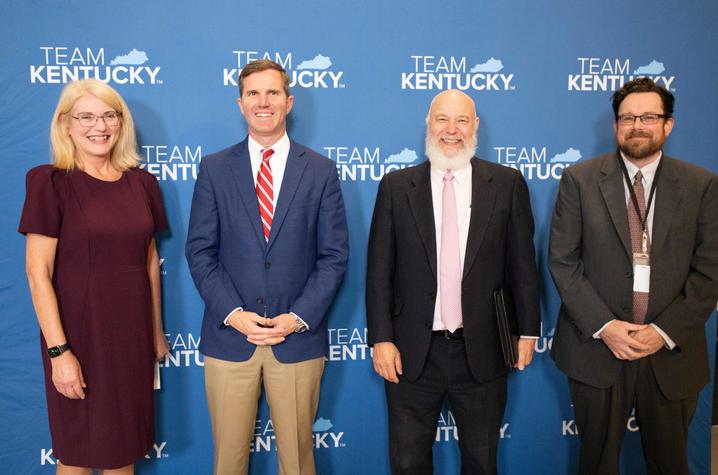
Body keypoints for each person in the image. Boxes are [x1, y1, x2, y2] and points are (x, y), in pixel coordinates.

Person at [185, 59, 348, 475]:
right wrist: (235, 316)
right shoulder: (214, 168)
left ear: (289, 101)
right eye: (253, 93)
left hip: (295, 341)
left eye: (273, 92)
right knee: (229, 462)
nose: (263, 102)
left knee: (297, 461)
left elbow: (333, 257)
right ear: (239, 103)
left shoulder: (322, 171)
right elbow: (200, 251)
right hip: (229, 339)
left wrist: (296, 318)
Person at [366, 89, 540, 475]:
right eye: (442, 119)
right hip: (412, 353)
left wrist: (527, 331)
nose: (452, 130)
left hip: (483, 350)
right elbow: (379, 270)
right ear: (428, 124)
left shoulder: (507, 184)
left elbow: (523, 266)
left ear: (475, 126)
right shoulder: (396, 187)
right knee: (409, 462)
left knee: (481, 461)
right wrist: (381, 338)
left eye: (462, 120)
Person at [549, 77, 718, 475]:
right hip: (597, 350)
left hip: (672, 353)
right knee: (597, 464)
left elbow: (710, 271)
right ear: (615, 126)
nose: (636, 125)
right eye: (627, 117)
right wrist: (605, 326)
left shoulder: (701, 186)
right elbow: (562, 261)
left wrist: (660, 332)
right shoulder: (580, 180)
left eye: (648, 116)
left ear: (668, 124)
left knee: (671, 464)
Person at [19, 78, 170, 474]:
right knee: (78, 456)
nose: (98, 126)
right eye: (85, 116)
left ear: (121, 123)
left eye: (108, 115)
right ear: (66, 124)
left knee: (124, 452)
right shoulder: (49, 182)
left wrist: (155, 331)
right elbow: (38, 272)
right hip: (79, 340)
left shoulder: (142, 183)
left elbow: (149, 261)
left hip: (131, 339)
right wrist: (59, 353)